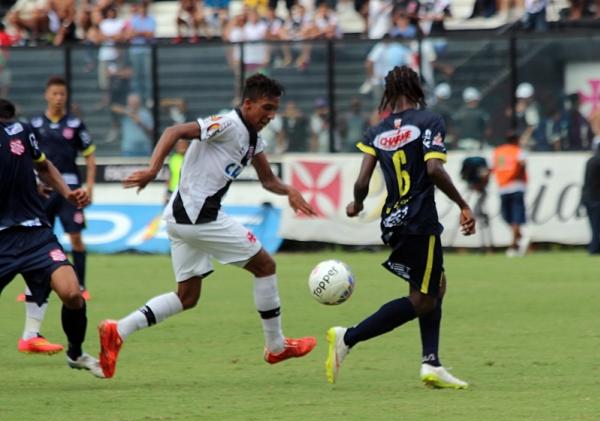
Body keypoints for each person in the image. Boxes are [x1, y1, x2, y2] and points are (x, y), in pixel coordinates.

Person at [98, 73, 318, 379]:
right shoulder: (228, 124)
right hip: (198, 215)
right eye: (266, 108)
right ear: (248, 103)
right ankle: (276, 346)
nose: (270, 116)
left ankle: (117, 329)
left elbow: (268, 180)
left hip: (181, 218)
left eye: (274, 110)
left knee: (187, 297)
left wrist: (289, 191)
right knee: (265, 266)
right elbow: (175, 131)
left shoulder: (255, 139)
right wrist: (152, 170)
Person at [325, 65, 476, 389]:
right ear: (416, 88)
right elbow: (434, 169)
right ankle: (348, 337)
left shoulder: (376, 132)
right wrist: (463, 204)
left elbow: (363, 180)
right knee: (424, 299)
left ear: (388, 93)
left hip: (393, 221)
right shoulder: (429, 121)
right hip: (420, 219)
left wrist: (358, 204)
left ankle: (431, 363)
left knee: (436, 284)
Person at [0, 98, 102, 377]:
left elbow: (42, 166)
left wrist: (67, 192)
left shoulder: (20, 131)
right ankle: (30, 334)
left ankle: (76, 352)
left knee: (71, 292)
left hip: (35, 233)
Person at [17, 76, 96, 355]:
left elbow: (89, 155)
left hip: (70, 187)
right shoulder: (33, 125)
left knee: (75, 238)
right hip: (42, 191)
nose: (59, 98)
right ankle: (36, 290)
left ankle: (81, 285)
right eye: (55, 93)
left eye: (62, 93)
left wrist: (89, 185)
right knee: (37, 240)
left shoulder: (75, 124)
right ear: (46, 95)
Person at [492, 132, 528, 257]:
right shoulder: (519, 151)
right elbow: (522, 165)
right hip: (514, 186)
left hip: (506, 187)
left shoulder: (499, 151)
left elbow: (499, 167)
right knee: (511, 217)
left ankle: (513, 244)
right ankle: (518, 235)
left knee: (510, 216)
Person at [581, 139, 600, 254]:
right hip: (596, 199)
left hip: (588, 197)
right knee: (596, 225)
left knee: (594, 225)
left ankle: (594, 247)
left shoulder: (590, 161)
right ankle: (594, 248)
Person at [165, 138, 190, 204]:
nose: (181, 147)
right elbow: (169, 176)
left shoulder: (191, 158)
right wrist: (166, 193)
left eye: (183, 145)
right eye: (179, 145)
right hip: (172, 191)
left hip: (186, 193)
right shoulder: (173, 158)